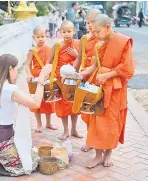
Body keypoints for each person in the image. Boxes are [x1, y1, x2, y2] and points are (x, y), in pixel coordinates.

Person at [78, 14, 135, 168]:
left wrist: (108, 75)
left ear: (108, 27)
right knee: (96, 120)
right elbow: (94, 66)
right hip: (99, 87)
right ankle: (97, 155)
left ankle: (108, 154)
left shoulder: (123, 42)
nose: (95, 35)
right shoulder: (99, 44)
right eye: (94, 32)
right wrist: (83, 73)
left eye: (98, 32)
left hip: (115, 89)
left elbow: (128, 69)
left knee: (111, 122)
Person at [0, 54, 52, 176]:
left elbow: (22, 100)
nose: (17, 73)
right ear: (9, 69)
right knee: (30, 162)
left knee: (28, 150)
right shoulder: (10, 89)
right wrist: (41, 78)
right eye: (16, 69)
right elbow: (35, 104)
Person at [47, 20, 82, 140]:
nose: (67, 34)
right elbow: (49, 61)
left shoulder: (77, 44)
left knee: (74, 104)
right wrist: (48, 75)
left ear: (74, 31)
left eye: (69, 31)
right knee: (63, 106)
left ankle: (74, 129)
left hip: (73, 79)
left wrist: (76, 54)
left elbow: (83, 60)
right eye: (64, 32)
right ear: (60, 32)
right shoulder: (57, 46)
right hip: (61, 80)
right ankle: (66, 130)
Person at [73, 8, 101, 152]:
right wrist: (72, 72)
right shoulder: (84, 39)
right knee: (87, 112)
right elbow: (79, 57)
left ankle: (99, 143)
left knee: (98, 113)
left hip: (98, 78)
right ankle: (90, 140)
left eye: (93, 22)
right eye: (87, 22)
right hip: (85, 78)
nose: (89, 25)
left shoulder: (103, 39)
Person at [25, 26, 57, 133]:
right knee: (36, 100)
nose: (41, 39)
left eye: (42, 36)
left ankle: (48, 123)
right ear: (33, 37)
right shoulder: (32, 51)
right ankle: (39, 124)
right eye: (38, 37)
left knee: (48, 99)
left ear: (46, 36)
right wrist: (29, 74)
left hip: (47, 76)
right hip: (36, 77)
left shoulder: (50, 49)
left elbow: (53, 63)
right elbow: (27, 65)